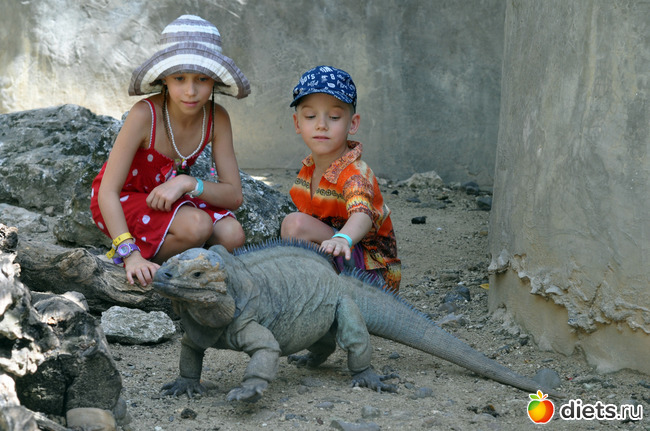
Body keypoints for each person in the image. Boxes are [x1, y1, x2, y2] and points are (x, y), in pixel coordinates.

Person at [90, 15, 250, 287]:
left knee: (232, 235)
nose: (190, 91)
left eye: (202, 78)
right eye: (179, 78)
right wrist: (131, 255)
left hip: (170, 198)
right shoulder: (145, 115)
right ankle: (139, 263)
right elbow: (107, 192)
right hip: (122, 201)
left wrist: (187, 182)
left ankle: (184, 263)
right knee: (197, 226)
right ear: (164, 79)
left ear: (214, 81)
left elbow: (234, 196)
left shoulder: (217, 118)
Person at [281, 65, 401, 291]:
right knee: (292, 227)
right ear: (297, 123)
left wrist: (342, 239)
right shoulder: (309, 168)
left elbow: (362, 215)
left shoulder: (355, 173)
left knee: (295, 225)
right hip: (340, 253)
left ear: (352, 123)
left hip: (373, 273)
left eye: (334, 117)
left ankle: (318, 292)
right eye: (310, 116)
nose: (321, 125)